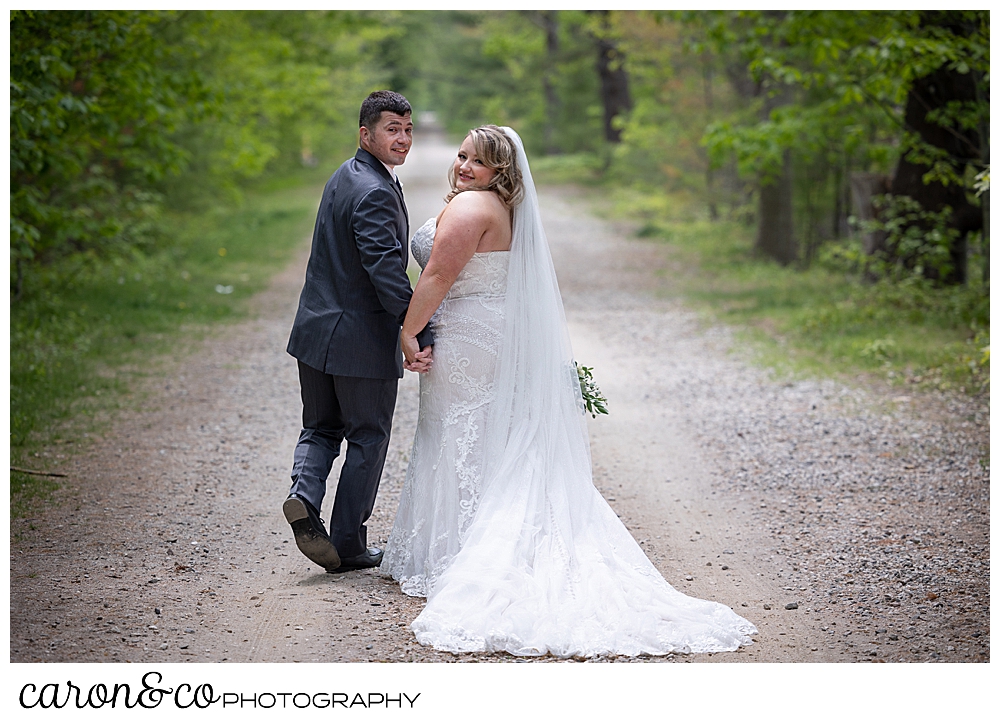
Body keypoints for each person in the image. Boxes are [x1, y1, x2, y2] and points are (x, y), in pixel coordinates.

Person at [381, 125, 758, 657]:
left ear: (501, 173)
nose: (464, 167)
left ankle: (469, 550)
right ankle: (461, 543)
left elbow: (438, 276)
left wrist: (406, 331)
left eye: (478, 162)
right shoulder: (501, 209)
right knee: (481, 435)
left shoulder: (471, 209)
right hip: (490, 332)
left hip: (469, 337)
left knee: (459, 433)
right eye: (462, 156)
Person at [283, 91, 432, 573]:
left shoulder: (345, 175)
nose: (403, 139)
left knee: (321, 427)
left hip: (315, 332)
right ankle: (347, 544)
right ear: (365, 134)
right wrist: (416, 328)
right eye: (392, 129)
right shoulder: (374, 191)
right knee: (368, 436)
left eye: (408, 130)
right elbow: (386, 272)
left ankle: (303, 497)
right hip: (358, 341)